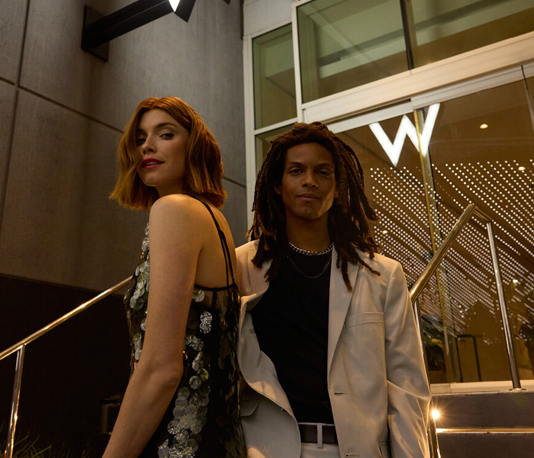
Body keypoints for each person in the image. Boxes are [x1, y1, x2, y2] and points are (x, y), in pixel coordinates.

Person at [236, 122, 431, 458]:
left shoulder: (382, 274)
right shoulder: (243, 266)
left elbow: (406, 387)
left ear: (338, 186)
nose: (309, 180)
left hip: (358, 449)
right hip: (265, 449)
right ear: (278, 185)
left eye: (322, 172)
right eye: (296, 170)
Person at [105, 97, 245, 458]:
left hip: (177, 444)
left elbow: (162, 369)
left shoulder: (173, 210)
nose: (147, 146)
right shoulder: (214, 218)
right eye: (140, 139)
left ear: (194, 146)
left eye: (165, 134)